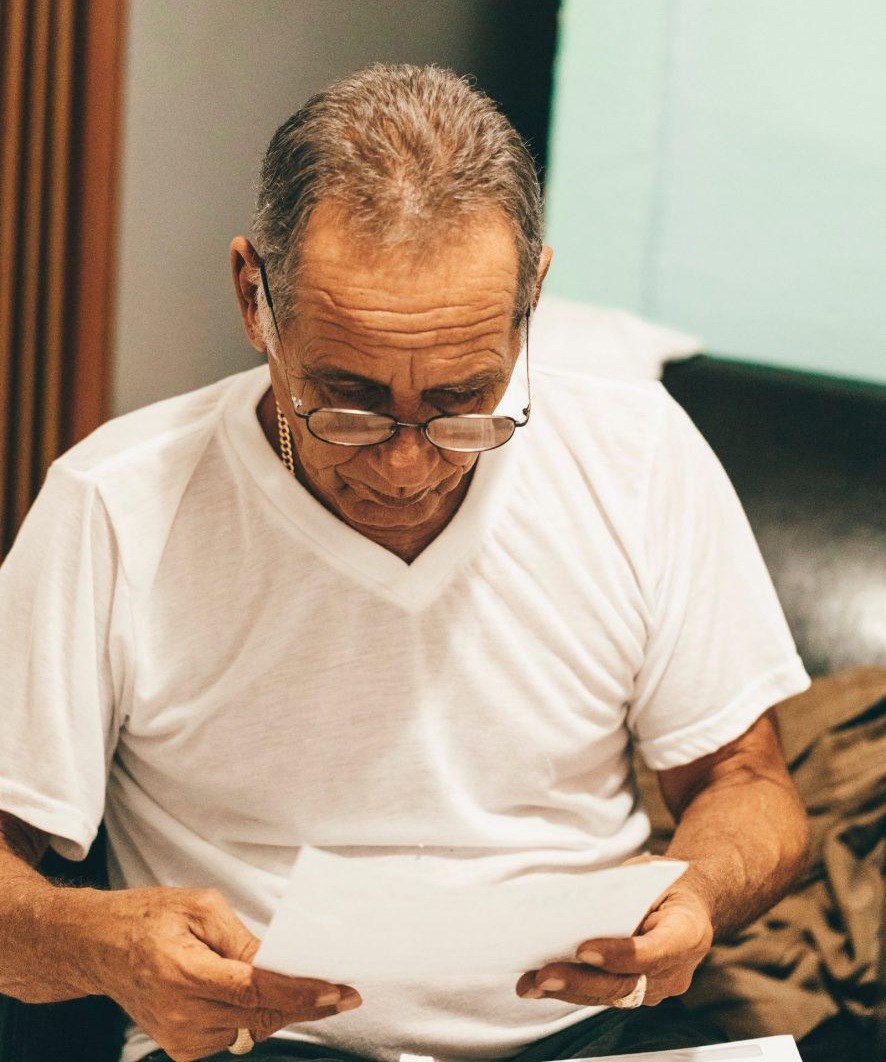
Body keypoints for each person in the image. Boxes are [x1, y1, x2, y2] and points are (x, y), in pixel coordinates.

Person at [0, 63, 811, 1062]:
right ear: (256, 298)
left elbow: (746, 781)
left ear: (531, 302)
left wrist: (695, 894)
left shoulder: (636, 454)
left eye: (466, 404)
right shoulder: (114, 505)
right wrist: (92, 944)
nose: (404, 464)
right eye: (349, 404)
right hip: (266, 1045)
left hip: (587, 1034)